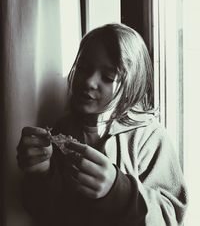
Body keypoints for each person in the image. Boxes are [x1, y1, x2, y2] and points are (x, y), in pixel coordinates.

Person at [16, 23, 188, 226]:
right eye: (83, 68)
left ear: (132, 84)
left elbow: (170, 216)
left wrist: (119, 191)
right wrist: (41, 174)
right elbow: (49, 212)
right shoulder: (63, 129)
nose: (89, 81)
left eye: (108, 77)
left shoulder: (149, 138)